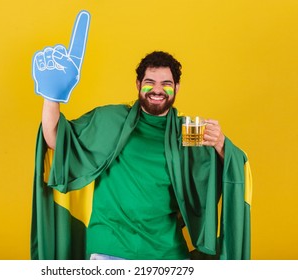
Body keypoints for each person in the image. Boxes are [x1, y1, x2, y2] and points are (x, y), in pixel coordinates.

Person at [31, 11, 251, 260]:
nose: (157, 89)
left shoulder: (189, 133)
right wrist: (52, 95)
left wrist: (222, 146)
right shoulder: (109, 120)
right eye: (150, 82)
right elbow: (56, 140)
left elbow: (232, 172)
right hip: (110, 250)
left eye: (166, 83)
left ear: (177, 87)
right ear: (138, 84)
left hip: (167, 255)